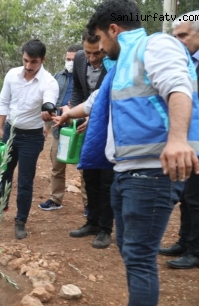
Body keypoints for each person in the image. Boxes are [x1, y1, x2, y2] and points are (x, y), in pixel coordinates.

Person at [58, 1, 199, 306]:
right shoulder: (123, 62)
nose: (100, 49)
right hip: (127, 170)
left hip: (152, 172)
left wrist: (179, 139)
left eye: (101, 40)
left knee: (138, 254)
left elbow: (179, 87)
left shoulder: (155, 45)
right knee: (129, 249)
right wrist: (67, 114)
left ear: (114, 30)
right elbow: (96, 101)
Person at [159, 10, 199, 268]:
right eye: (174, 35)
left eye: (182, 35)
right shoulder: (188, 61)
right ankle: (185, 241)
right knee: (188, 195)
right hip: (192, 141)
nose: (177, 41)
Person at [0, 39, 59, 239]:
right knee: (3, 173)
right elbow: (3, 102)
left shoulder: (49, 82)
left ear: (43, 60)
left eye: (34, 62)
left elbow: (49, 101)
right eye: (25, 61)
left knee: (25, 180)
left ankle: (21, 220)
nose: (28, 66)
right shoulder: (12, 75)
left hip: (32, 137)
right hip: (9, 131)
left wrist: (48, 111)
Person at [66, 30, 114, 250]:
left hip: (109, 127)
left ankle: (106, 228)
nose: (92, 58)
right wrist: (73, 112)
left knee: (107, 180)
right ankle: (92, 222)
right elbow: (77, 89)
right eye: (88, 53)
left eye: (97, 54)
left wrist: (89, 116)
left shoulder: (114, 61)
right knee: (90, 176)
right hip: (87, 122)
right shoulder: (78, 59)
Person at [38, 43, 87, 213]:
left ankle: (89, 205)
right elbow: (50, 102)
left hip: (82, 128)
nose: (70, 62)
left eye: (73, 60)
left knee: (84, 168)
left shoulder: (87, 76)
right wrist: (46, 124)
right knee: (56, 166)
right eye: (67, 59)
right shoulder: (58, 77)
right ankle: (55, 199)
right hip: (60, 127)